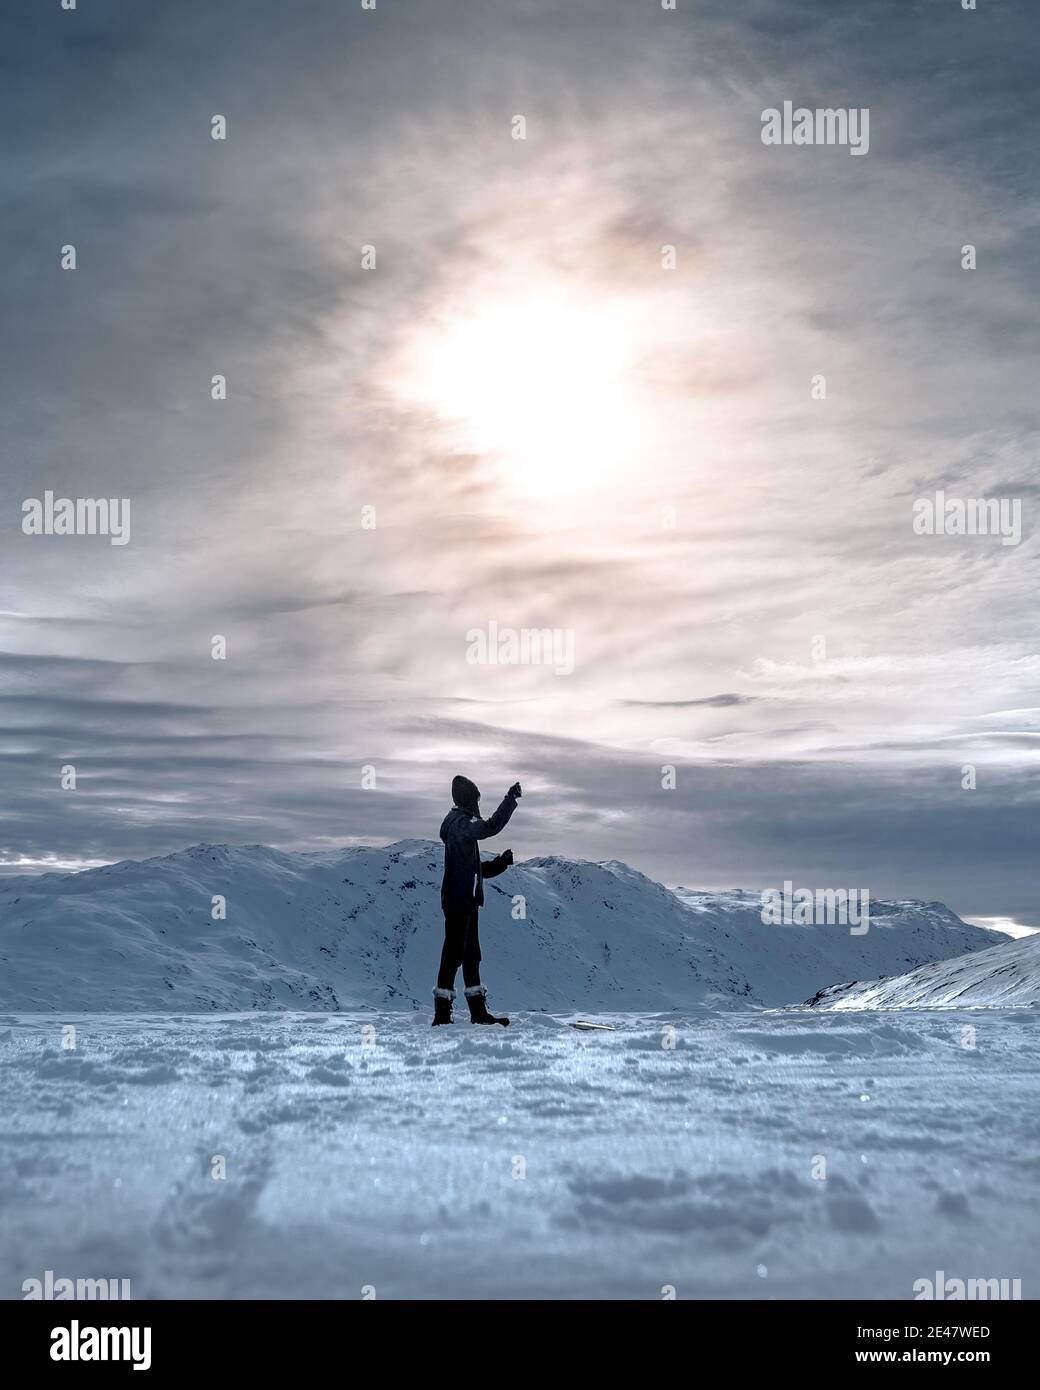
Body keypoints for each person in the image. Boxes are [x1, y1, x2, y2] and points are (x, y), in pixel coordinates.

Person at [433, 775, 521, 1026]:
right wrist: (510, 799)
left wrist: (499, 864)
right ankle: (443, 1015)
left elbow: (473, 870)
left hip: (462, 899)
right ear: (469, 799)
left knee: (470, 955)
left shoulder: (456, 825)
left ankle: (476, 1012)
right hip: (460, 900)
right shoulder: (461, 824)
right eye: (475, 799)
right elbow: (491, 826)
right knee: (454, 954)